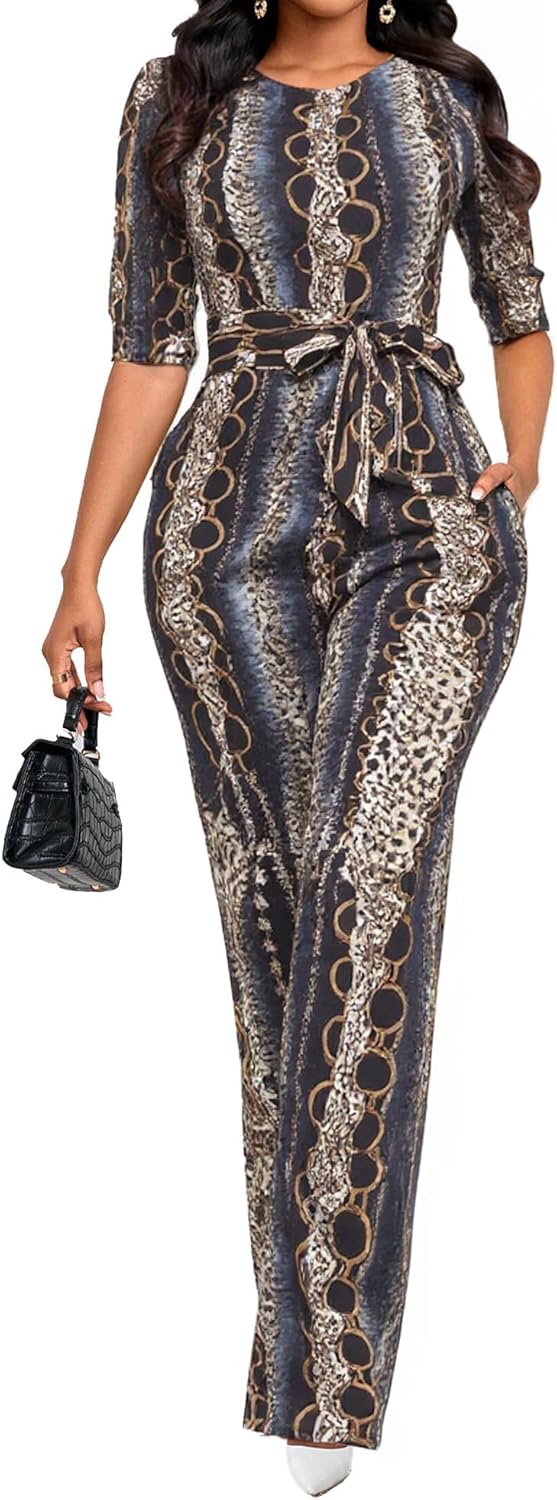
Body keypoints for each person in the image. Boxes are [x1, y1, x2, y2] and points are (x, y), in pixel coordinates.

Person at [41, 1, 552, 1494]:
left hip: (428, 517)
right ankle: (304, 1358)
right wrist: (80, 569)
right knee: (276, 923)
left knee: (368, 886)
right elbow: (149, 347)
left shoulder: (440, 98)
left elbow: (516, 303)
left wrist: (520, 466)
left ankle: (324, 1382)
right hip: (223, 533)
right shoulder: (173, 99)